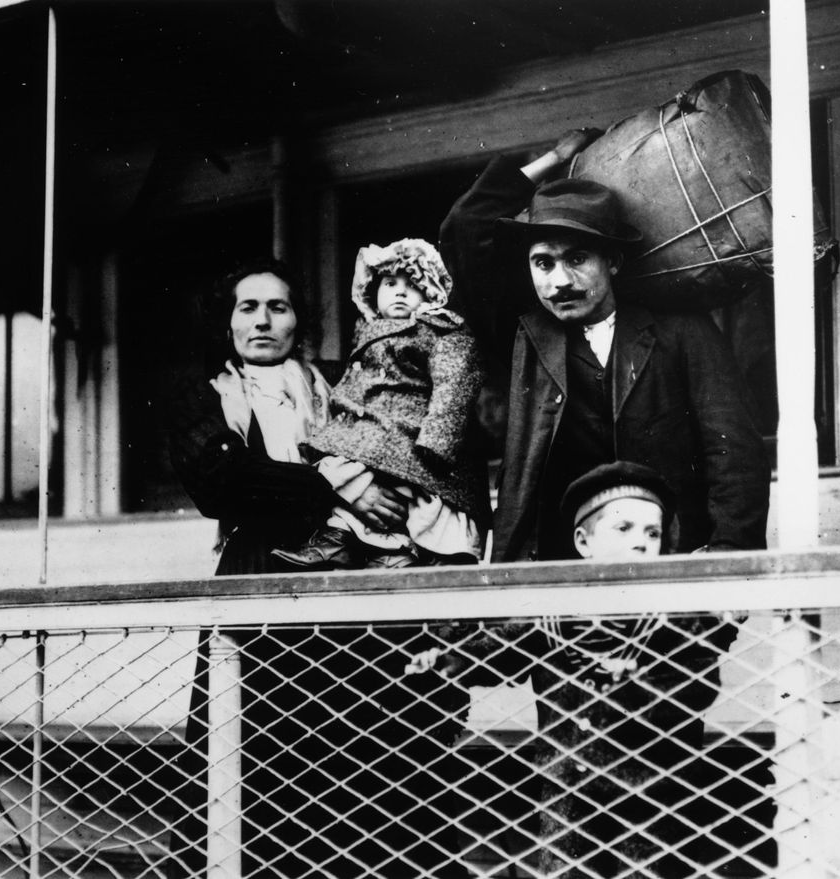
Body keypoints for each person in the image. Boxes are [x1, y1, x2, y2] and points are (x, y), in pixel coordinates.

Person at [167, 259, 461, 877]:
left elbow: (403, 429)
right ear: (227, 322)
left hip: (349, 576)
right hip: (258, 578)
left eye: (279, 306)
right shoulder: (205, 395)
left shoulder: (340, 382)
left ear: (299, 319)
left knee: (360, 748)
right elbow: (225, 482)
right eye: (248, 307)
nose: (264, 320)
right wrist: (335, 485)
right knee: (254, 746)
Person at [439, 129, 770, 562]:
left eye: (577, 259)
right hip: (551, 573)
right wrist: (553, 157)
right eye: (543, 263)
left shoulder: (682, 331)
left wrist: (729, 554)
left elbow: (734, 452)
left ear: (612, 262)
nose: (560, 281)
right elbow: (463, 228)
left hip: (666, 561)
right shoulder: (524, 334)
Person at [410, 461, 739, 877]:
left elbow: (697, 681)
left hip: (648, 790)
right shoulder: (554, 613)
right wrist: (449, 659)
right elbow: (501, 648)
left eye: (652, 533)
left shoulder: (672, 617)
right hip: (566, 790)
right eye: (624, 529)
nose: (641, 543)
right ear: (583, 542)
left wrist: (638, 682)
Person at [274, 238, 489, 569]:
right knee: (346, 471)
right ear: (372, 293)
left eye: (413, 285)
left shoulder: (439, 330)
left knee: (420, 501)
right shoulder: (366, 332)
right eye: (390, 284)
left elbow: (456, 379)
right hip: (370, 429)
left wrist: (437, 441)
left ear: (432, 294)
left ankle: (421, 556)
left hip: (411, 430)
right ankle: (340, 538)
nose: (400, 292)